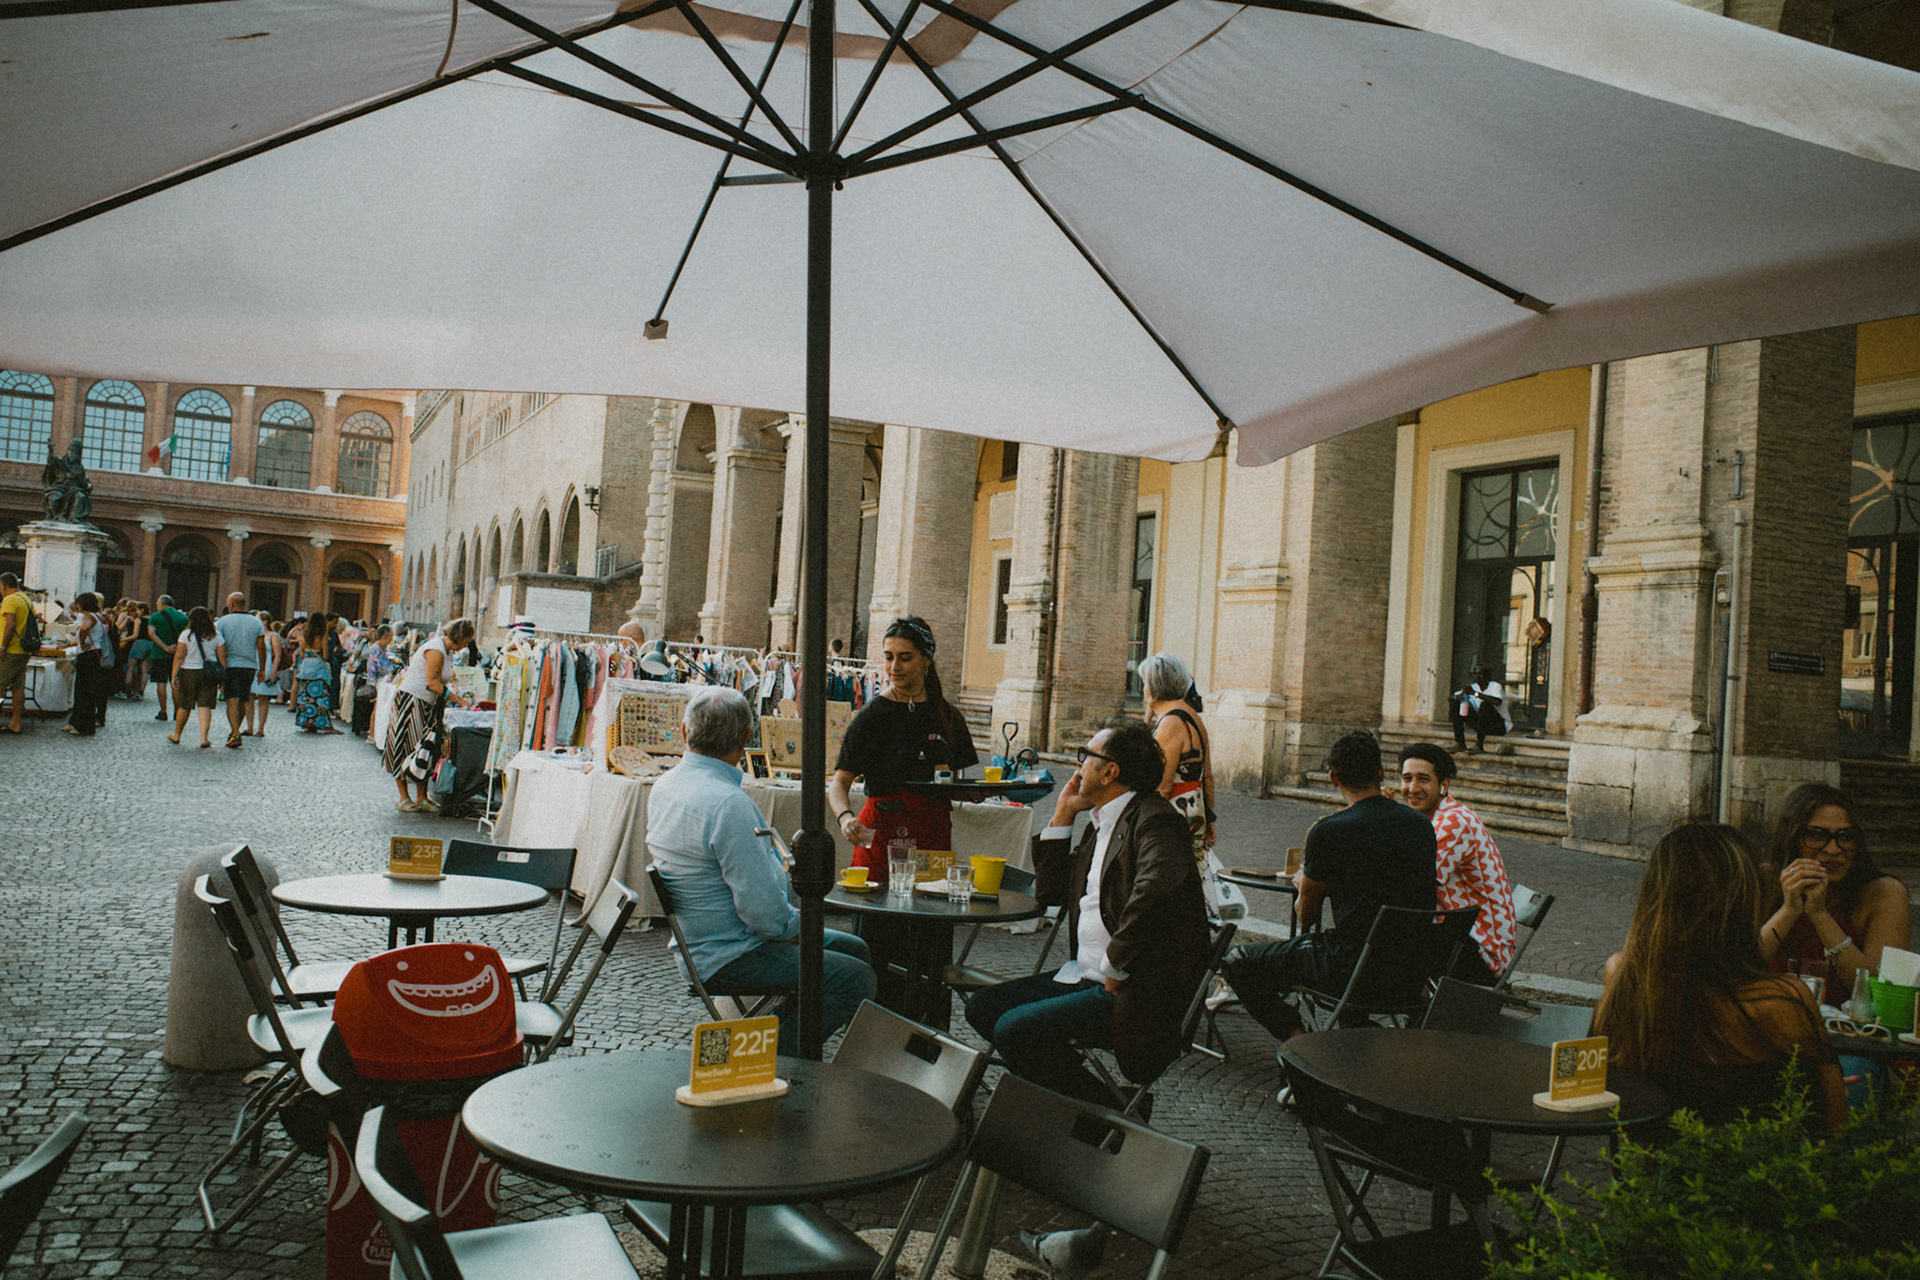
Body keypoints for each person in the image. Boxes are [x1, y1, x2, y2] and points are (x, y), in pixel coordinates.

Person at [966, 718, 1210, 1109]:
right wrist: (1063, 813)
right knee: (982, 1007)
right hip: (1083, 975)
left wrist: (1115, 967)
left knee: (1015, 1030)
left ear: (1110, 771)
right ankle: (1092, 1100)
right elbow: (1048, 894)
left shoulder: (1155, 820)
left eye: (1086, 757)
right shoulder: (1102, 823)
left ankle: (1103, 1112)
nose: (1078, 767)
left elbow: (1155, 893)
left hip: (1131, 991)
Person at [650, 686, 878, 1053]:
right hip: (730, 953)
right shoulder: (727, 805)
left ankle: (791, 1036)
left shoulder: (667, 785)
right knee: (855, 979)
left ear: (683, 731)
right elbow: (764, 915)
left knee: (856, 949)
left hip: (706, 943)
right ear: (744, 741)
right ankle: (765, 1060)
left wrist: (790, 925)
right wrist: (793, 928)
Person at [1597, 822, 1845, 1133]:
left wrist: (1789, 910)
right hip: (1752, 1175)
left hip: (1654, 1173)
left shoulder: (1626, 977)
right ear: (1744, 903)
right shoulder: (1783, 1000)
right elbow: (1835, 1126)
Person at [1219, 730, 1438, 1041]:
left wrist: (1302, 882)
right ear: (1381, 773)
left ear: (1334, 779)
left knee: (1237, 961)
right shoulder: (1422, 825)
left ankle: (1299, 1044)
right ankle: (1354, 1040)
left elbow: (1305, 917)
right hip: (1410, 972)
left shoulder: (1329, 831)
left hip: (1350, 970)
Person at [827, 616, 978, 876]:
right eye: (888, 657)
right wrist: (846, 817)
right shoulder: (871, 716)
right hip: (880, 835)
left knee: (927, 912)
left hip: (932, 841)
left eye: (905, 658)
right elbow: (839, 782)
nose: (894, 666)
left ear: (926, 659)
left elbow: (957, 784)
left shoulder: (948, 717)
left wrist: (978, 792)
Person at [1758, 783, 1911, 1005]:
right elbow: (1737, 971)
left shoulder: (1883, 893)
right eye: (1817, 835)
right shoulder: (1764, 881)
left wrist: (1820, 915)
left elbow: (1878, 995)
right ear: (1791, 838)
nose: (1833, 850)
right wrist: (1789, 911)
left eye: (1846, 837)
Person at [1396, 742, 1518, 985]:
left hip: (1483, 952)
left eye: (1423, 779)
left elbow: (1411, 880)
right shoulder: (1431, 819)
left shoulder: (1454, 822)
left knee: (1380, 946)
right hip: (1460, 938)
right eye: (1406, 778)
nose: (1412, 788)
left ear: (1444, 785)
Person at [385, 617, 474, 811]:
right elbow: (433, 684)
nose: (468, 644)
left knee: (424, 749)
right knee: (404, 746)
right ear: (461, 637)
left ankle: (422, 797)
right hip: (412, 701)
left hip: (427, 703)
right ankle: (403, 797)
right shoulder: (436, 650)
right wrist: (460, 701)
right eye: (467, 640)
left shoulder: (447, 651)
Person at [1139, 651, 1215, 862]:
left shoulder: (1171, 724)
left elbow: (1162, 787)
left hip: (1172, 818)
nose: (1144, 689)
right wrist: (1209, 820)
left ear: (1153, 688)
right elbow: (1206, 777)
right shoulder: (1192, 717)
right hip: (1194, 812)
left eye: (1145, 683)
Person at [212, 592, 267, 749]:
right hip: (249, 665)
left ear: (231, 604)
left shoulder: (222, 622)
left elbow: (218, 646)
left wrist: (218, 665)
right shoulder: (256, 622)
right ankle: (234, 732)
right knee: (243, 699)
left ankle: (235, 733)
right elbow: (261, 646)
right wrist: (262, 668)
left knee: (232, 698)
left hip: (229, 665)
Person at [168, 605, 224, 748]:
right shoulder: (216, 635)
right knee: (205, 705)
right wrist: (223, 674)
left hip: (189, 671)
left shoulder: (186, 634)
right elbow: (222, 656)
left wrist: (174, 675)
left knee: (185, 705)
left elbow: (180, 656)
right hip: (209, 673)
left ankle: (177, 734)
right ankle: (204, 738)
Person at [62, 592, 112, 736]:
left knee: (83, 691)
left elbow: (84, 629)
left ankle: (84, 726)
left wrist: (83, 642)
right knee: (87, 690)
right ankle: (76, 722)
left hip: (88, 656)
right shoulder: (101, 617)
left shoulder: (88, 617)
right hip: (96, 655)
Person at [292, 613, 339, 733]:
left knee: (306, 696)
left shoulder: (304, 635)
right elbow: (325, 656)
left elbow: (301, 655)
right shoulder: (322, 635)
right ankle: (324, 724)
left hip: (306, 667)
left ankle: (308, 722)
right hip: (318, 669)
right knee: (321, 698)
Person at [1450, 663, 1510, 753]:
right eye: (1475, 674)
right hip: (1482, 725)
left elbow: (1497, 702)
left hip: (1498, 726)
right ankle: (1460, 742)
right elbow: (1450, 697)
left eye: (1481, 674)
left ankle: (1479, 744)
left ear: (1487, 676)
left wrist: (1476, 694)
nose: (1478, 677)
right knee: (1457, 703)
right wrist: (1457, 697)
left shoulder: (1495, 686)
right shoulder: (1472, 687)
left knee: (1485, 705)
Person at [146, 595, 188, 723]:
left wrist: (165, 647)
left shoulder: (155, 617)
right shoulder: (183, 617)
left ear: (161, 604)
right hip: (178, 655)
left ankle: (163, 711)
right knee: (175, 682)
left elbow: (151, 634)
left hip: (159, 654)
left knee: (161, 683)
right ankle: (177, 711)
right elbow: (187, 635)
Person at [0, 572, 31, 734]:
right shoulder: (26, 599)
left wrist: (3, 647)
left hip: (11, 650)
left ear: (4, 585)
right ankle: (15, 722)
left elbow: (10, 625)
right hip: (23, 650)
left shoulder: (10, 600)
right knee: (17, 686)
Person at [246, 611, 283, 737]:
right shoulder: (254, 634)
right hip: (253, 665)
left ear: (265, 621)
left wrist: (273, 671)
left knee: (263, 698)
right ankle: (249, 727)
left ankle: (260, 728)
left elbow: (278, 655)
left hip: (266, 667)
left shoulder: (273, 635)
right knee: (249, 697)